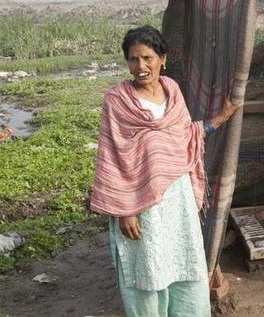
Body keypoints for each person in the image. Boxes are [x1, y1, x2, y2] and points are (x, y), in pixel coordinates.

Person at [90, 25, 241, 317]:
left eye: (147, 58)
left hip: (177, 199)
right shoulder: (117, 101)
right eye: (133, 59)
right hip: (141, 204)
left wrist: (220, 118)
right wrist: (125, 211)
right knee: (149, 267)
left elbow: (184, 135)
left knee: (183, 260)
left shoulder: (172, 90)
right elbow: (112, 157)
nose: (141, 66)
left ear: (163, 59)